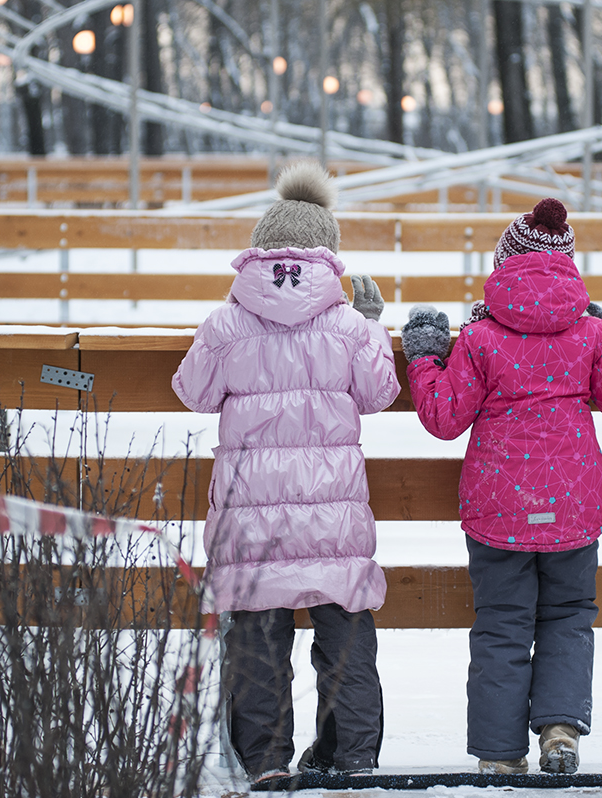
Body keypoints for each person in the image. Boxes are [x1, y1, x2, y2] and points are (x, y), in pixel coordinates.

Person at [400, 197, 602, 775]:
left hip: (499, 510)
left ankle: (498, 756)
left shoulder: (478, 338)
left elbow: (443, 417)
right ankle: (561, 730)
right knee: (568, 615)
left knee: (501, 623)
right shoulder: (592, 334)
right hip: (572, 506)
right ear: (567, 269)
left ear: (503, 268)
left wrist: (421, 353)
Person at [171, 161, 400, 785]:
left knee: (256, 645)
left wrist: (224, 329)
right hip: (333, 515)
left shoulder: (228, 322)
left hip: (250, 521)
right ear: (329, 254)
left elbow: (192, 392)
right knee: (345, 636)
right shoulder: (350, 325)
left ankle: (266, 763)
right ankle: (351, 757)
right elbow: (380, 394)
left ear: (259, 251)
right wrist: (375, 325)